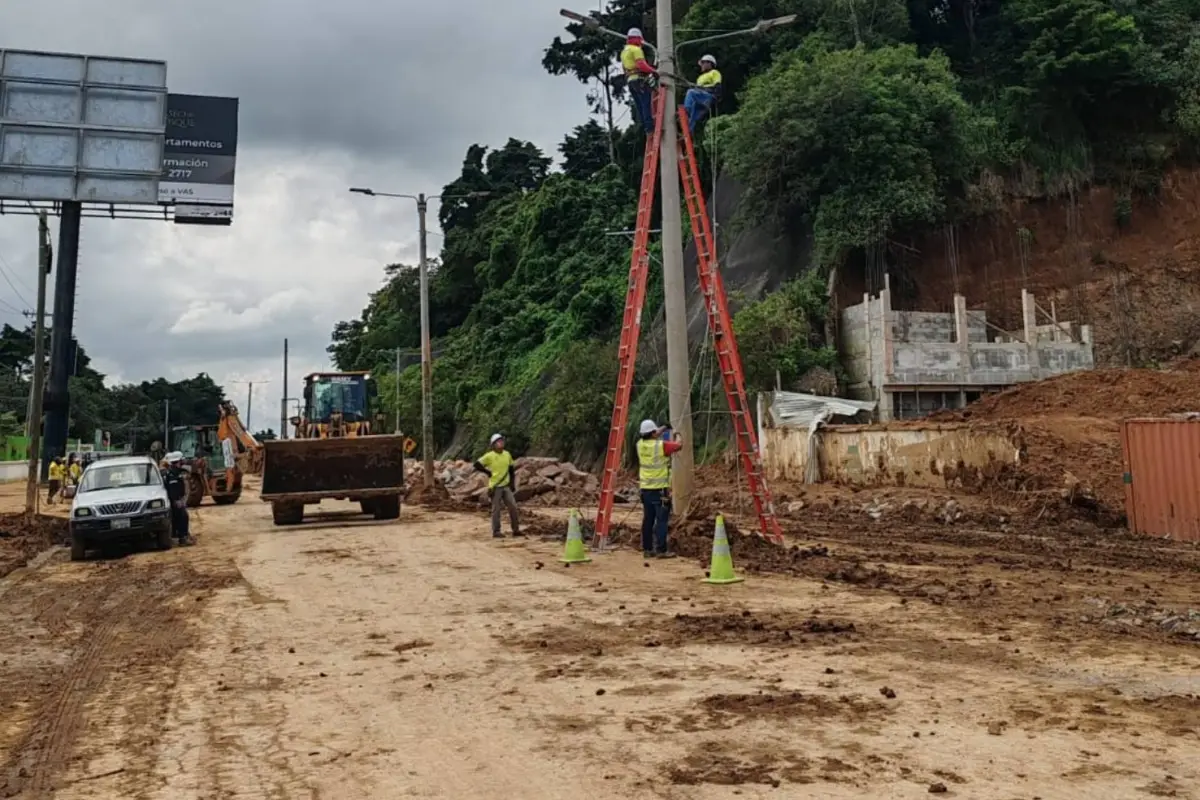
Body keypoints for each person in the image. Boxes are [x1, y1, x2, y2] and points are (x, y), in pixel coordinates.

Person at [637, 419, 683, 559]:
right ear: (652, 433)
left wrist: (664, 427)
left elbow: (653, 434)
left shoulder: (640, 444)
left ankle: (647, 549)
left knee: (648, 519)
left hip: (645, 489)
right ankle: (661, 550)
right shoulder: (661, 446)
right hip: (659, 490)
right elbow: (679, 445)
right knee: (661, 520)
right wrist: (678, 434)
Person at [473, 433, 522, 539]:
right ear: (493, 444)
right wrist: (487, 472)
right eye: (498, 441)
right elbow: (476, 464)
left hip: (506, 486)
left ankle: (516, 530)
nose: (501, 443)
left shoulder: (507, 454)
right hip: (495, 486)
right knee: (496, 509)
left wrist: (512, 483)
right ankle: (496, 531)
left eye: (502, 441)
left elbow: (511, 470)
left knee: (513, 507)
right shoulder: (489, 456)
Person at [622, 28, 658, 134]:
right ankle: (649, 127)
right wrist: (654, 71)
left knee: (639, 105)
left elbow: (624, 68)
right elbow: (641, 65)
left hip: (630, 81)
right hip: (639, 80)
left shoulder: (624, 51)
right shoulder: (636, 50)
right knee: (645, 103)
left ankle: (645, 126)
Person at [161, 451, 194, 546]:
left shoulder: (175, 472)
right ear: (177, 461)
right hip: (175, 501)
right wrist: (177, 500)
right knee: (183, 517)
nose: (183, 462)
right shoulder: (172, 474)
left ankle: (180, 536)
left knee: (178, 518)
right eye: (181, 461)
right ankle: (183, 538)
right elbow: (173, 489)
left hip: (176, 500)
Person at [684, 54, 722, 133]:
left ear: (709, 63)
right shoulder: (700, 78)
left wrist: (716, 98)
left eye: (703, 63)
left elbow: (717, 85)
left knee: (690, 92)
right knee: (693, 117)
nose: (702, 66)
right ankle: (688, 133)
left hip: (708, 96)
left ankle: (686, 110)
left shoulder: (714, 72)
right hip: (700, 98)